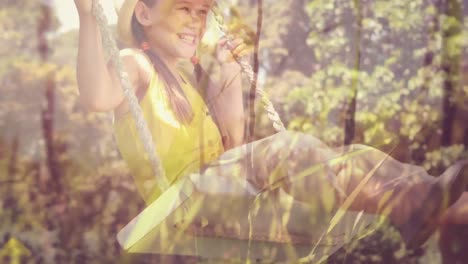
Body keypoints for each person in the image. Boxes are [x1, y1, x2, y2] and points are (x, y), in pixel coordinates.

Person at [74, 0, 468, 252]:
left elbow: (235, 150)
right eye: (184, 9)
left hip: (221, 197)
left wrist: (228, 73)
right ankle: (418, 202)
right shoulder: (136, 65)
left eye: (201, 12)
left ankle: (430, 207)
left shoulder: (190, 83)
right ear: (144, 13)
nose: (197, 21)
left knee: (344, 162)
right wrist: (87, 16)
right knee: (291, 149)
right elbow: (96, 97)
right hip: (184, 201)